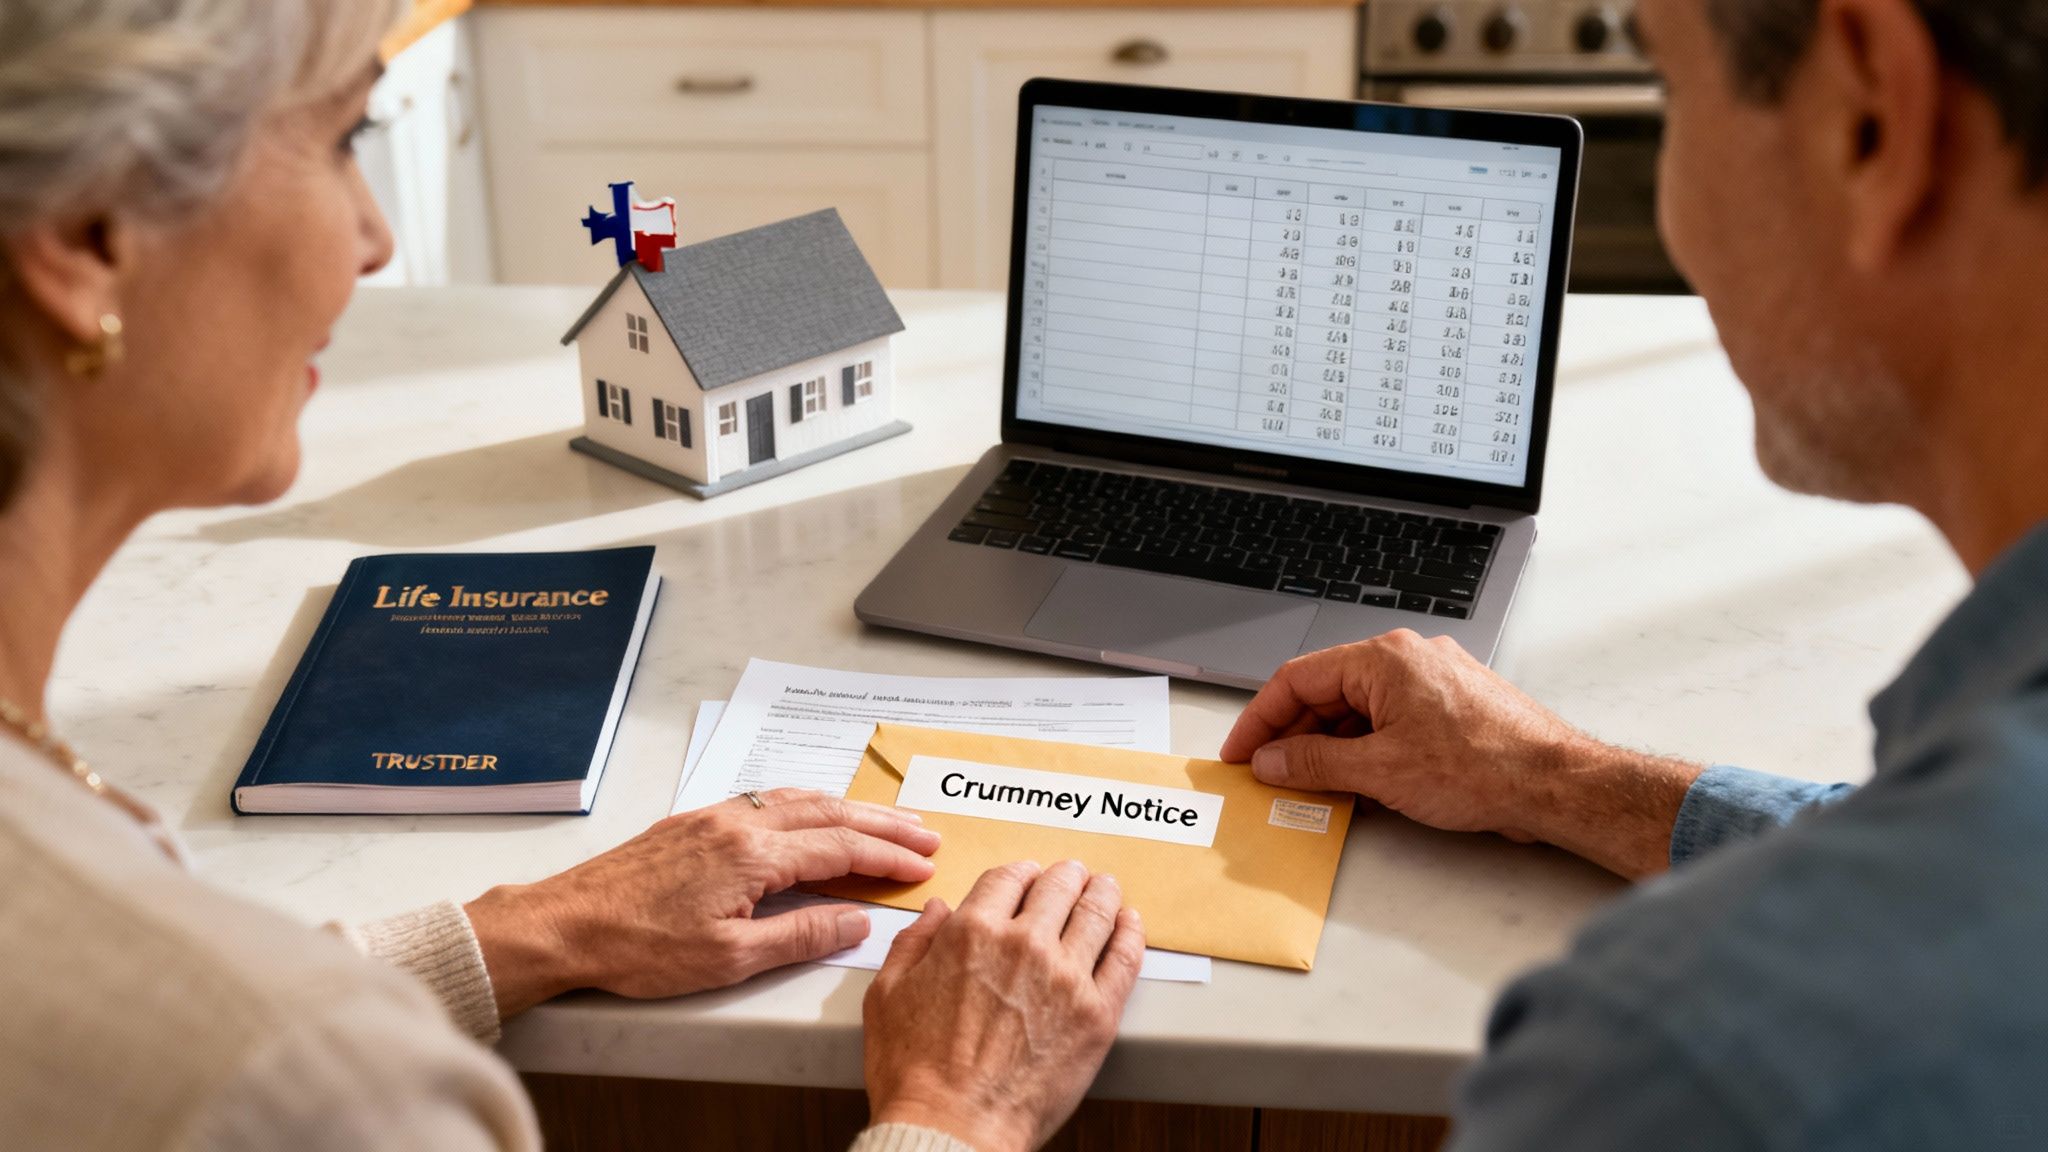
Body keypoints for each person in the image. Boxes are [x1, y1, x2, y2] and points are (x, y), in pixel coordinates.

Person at [0, 3, 1139, 1149]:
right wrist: (954, 1116)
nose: (376, 237)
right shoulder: (315, 1087)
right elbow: (257, 1061)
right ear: (87, 235)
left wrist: (527, 931)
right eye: (344, 136)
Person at [1214, 0, 2048, 1146]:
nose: (1669, 208)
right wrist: (1549, 776)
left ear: (1869, 116)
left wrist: (956, 1115)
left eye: (1666, 91)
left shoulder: (1673, 1066)